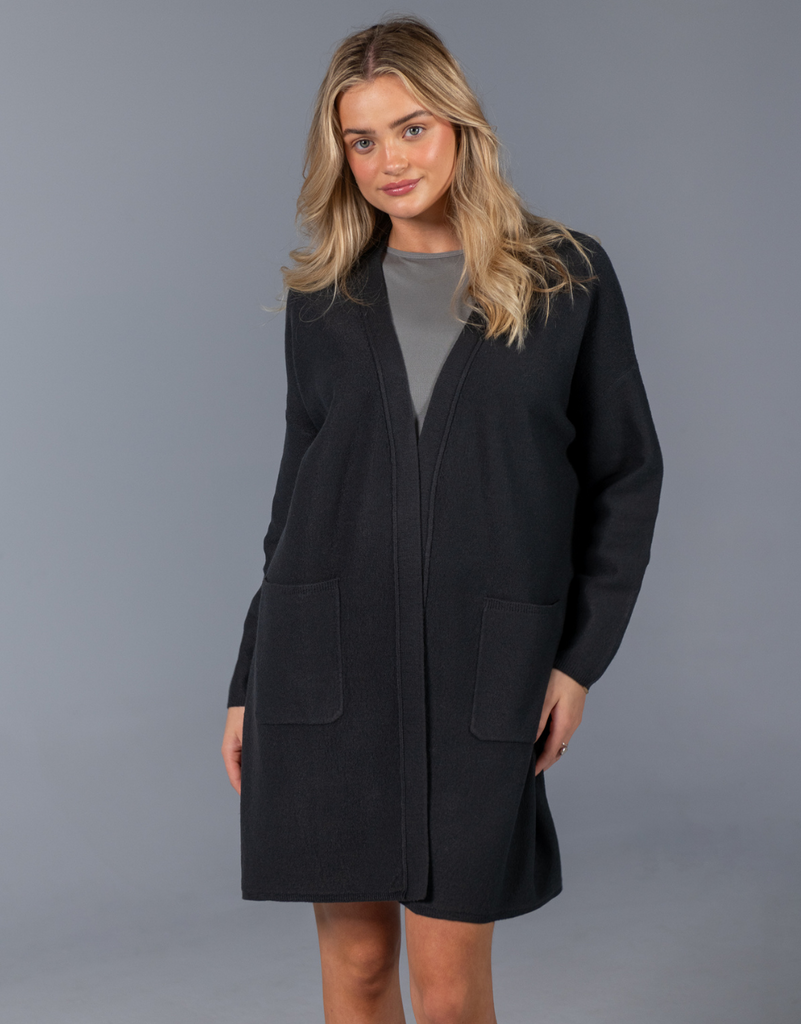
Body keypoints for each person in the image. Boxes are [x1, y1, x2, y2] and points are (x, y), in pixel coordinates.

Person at [221, 15, 663, 1023]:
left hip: (483, 671)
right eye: (361, 140)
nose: (389, 161)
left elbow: (626, 475)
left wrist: (576, 661)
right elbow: (294, 505)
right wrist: (249, 682)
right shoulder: (326, 301)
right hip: (326, 673)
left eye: (411, 128)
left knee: (451, 987)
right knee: (356, 972)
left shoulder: (565, 278)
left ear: (460, 125)